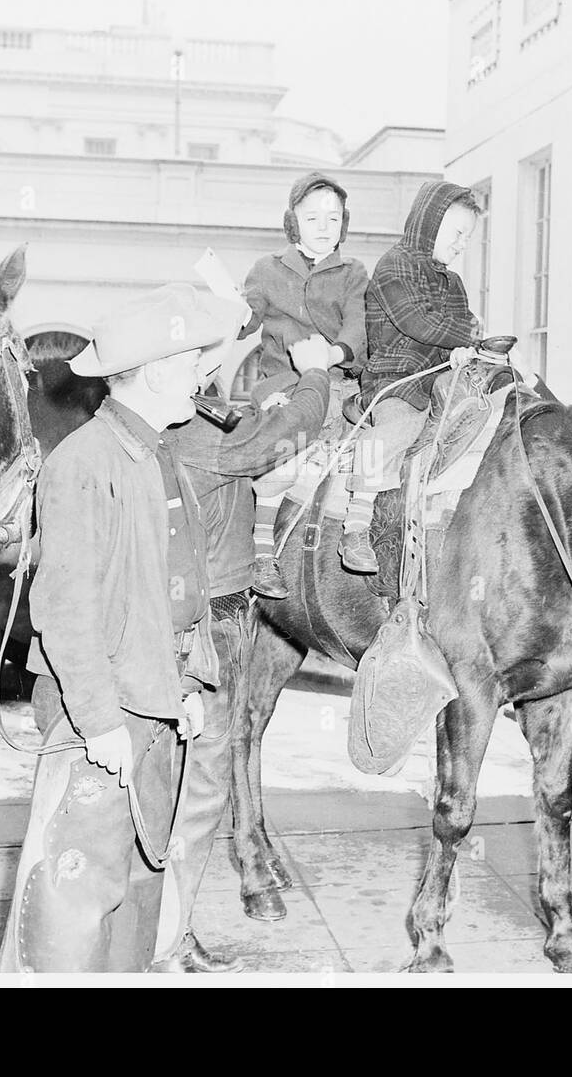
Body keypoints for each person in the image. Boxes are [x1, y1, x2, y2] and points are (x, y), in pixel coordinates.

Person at [0, 283, 233, 974]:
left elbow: (171, 592)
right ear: (158, 370)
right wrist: (100, 725)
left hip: (151, 712)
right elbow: (66, 610)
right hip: (98, 722)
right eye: (193, 360)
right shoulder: (83, 464)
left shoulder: (158, 455)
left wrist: (186, 682)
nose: (201, 374)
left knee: (134, 896)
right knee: (66, 911)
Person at [151, 333, 334, 972]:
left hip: (214, 615)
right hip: (205, 625)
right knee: (195, 786)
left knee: (194, 783)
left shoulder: (191, 421)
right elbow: (270, 439)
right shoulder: (194, 431)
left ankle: (167, 933)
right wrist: (315, 376)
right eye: (204, 362)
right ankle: (164, 939)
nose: (210, 375)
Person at [341, 180, 483, 573]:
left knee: (478, 406)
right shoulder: (394, 265)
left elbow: (456, 325)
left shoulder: (452, 282)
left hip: (435, 379)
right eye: (457, 234)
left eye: (467, 238)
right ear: (431, 222)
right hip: (396, 379)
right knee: (396, 428)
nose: (461, 245)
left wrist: (459, 351)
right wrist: (471, 335)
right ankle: (357, 519)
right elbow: (418, 321)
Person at [241, 171, 368, 595]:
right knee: (285, 457)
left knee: (371, 449)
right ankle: (262, 554)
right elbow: (247, 318)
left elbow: (358, 326)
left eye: (333, 220)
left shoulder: (353, 272)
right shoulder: (266, 270)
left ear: (344, 226)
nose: (323, 228)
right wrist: (236, 316)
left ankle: (357, 530)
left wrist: (331, 356)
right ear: (293, 223)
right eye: (312, 218)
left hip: (339, 384)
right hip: (285, 384)